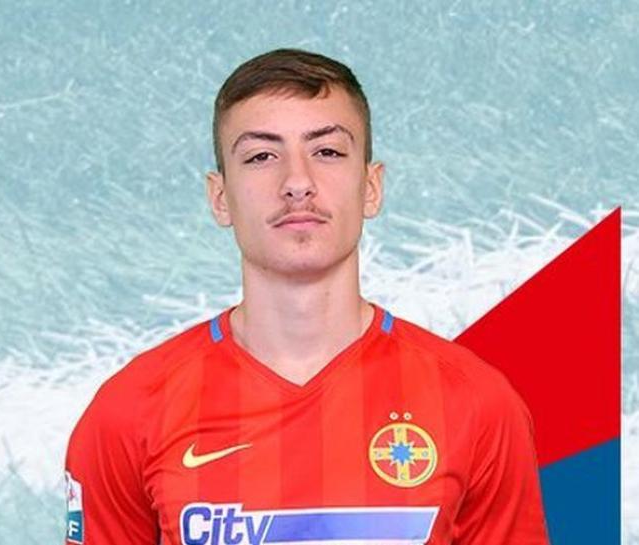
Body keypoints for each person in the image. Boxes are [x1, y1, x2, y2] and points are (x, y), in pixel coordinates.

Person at [63, 48, 549, 545]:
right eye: (261, 156)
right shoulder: (129, 412)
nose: (297, 182)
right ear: (220, 197)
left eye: (328, 152)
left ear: (371, 187)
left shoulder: (477, 404)